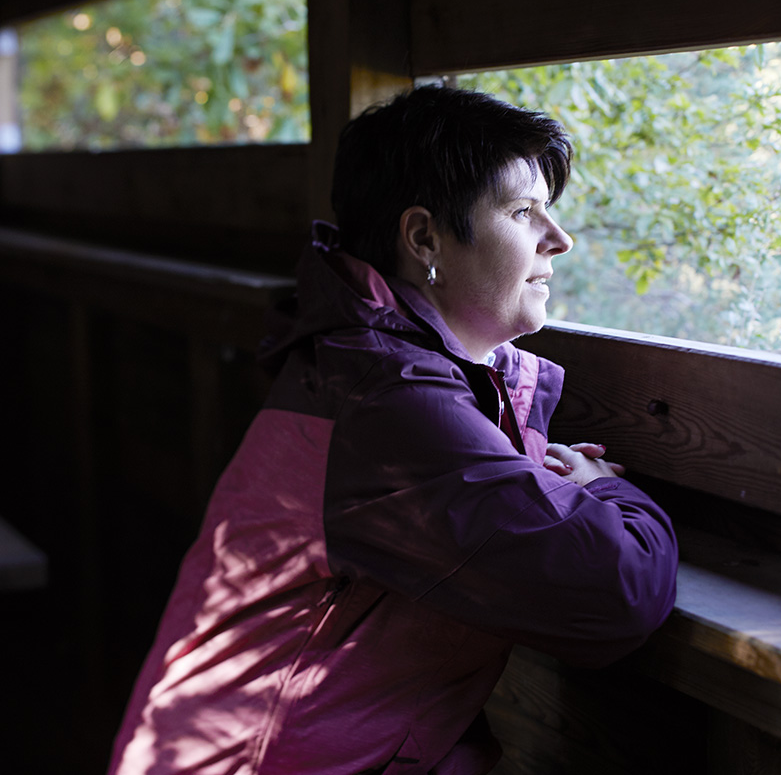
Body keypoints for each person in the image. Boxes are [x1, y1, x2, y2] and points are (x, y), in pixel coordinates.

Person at [107, 84, 678, 775]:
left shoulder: (383, 365)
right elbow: (615, 595)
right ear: (423, 238)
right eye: (525, 212)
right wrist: (608, 495)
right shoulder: (387, 400)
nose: (559, 239)